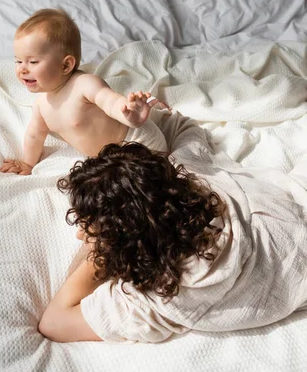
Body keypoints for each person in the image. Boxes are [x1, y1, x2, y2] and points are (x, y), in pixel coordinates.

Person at [38, 112, 307, 343]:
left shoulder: (159, 299)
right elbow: (185, 128)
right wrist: (152, 114)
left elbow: (54, 322)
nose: (79, 235)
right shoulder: (193, 182)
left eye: (88, 228)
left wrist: (102, 247)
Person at [0, 8, 169, 175]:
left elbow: (110, 101)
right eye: (18, 61)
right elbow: (34, 136)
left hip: (138, 141)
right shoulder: (41, 105)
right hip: (110, 160)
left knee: (141, 180)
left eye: (33, 62)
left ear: (66, 65)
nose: (22, 69)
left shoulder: (84, 84)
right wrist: (27, 164)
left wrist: (129, 113)